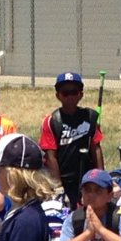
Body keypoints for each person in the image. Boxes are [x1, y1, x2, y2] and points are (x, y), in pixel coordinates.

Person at [40, 71, 104, 207]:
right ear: (58, 96)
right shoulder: (52, 121)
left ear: (81, 94)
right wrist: (58, 187)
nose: (70, 96)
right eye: (65, 93)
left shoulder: (91, 117)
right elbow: (51, 157)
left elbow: (96, 147)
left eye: (74, 92)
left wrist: (101, 177)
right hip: (63, 178)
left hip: (87, 177)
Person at [53, 168, 121, 241]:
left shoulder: (119, 216)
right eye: (87, 190)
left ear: (110, 195)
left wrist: (101, 230)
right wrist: (88, 234)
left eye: (98, 191)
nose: (91, 195)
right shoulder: (75, 218)